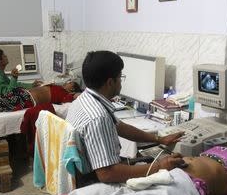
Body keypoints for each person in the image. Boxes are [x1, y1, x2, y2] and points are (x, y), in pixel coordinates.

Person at [66, 50, 185, 183]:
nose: (121, 82)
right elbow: (107, 174)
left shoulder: (84, 100)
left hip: (85, 173)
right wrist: (159, 167)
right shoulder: (98, 117)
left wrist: (159, 139)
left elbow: (120, 127)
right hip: (95, 181)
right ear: (110, 82)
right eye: (120, 77)